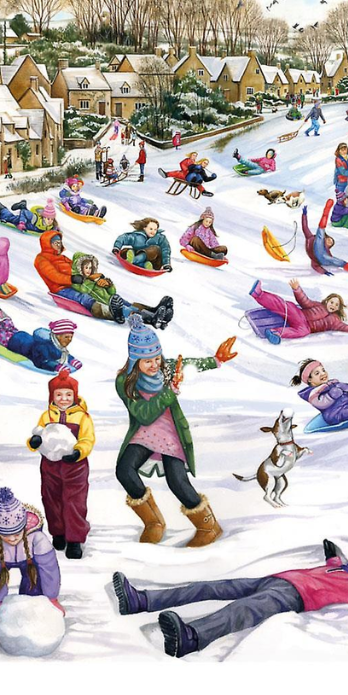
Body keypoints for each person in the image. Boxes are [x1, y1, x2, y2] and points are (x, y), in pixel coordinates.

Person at [112, 540, 348, 658]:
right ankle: (141, 600)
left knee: (243, 610)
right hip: (275, 580)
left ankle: (191, 637)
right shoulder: (342, 567)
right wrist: (331, 552)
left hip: (293, 596)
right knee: (212, 586)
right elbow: (333, 563)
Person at [115, 313, 236, 547]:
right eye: (147, 361)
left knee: (177, 481)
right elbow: (144, 415)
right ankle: (153, 522)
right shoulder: (125, 382)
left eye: (157, 358)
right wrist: (169, 391)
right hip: (143, 434)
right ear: (135, 361)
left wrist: (216, 360)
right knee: (124, 471)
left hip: (170, 434)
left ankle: (208, 526)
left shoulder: (166, 370)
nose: (154, 365)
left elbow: (188, 364)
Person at [0, 488, 62, 648]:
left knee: (36, 577)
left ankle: (32, 613)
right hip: (0, 560)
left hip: (29, 558)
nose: (12, 539)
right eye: (6, 535)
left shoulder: (37, 538)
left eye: (17, 534)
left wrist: (52, 598)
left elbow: (49, 568)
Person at [34, 230, 172, 327]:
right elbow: (53, 275)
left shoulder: (63, 258)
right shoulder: (41, 259)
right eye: (55, 243)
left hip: (78, 283)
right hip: (62, 289)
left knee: (113, 297)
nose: (59, 245)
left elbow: (77, 268)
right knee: (85, 298)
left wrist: (94, 277)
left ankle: (151, 312)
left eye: (59, 242)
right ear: (47, 244)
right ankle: (130, 315)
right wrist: (72, 279)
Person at [27, 368, 95, 560]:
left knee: (74, 502)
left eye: (68, 394)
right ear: (52, 396)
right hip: (50, 465)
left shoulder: (82, 417)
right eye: (59, 394)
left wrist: (78, 451)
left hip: (75, 466)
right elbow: (38, 434)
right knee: (51, 499)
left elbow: (88, 439)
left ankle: (74, 540)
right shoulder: (47, 416)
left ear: (74, 395)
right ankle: (58, 533)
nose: (63, 399)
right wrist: (34, 442)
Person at [0, 299, 81, 372]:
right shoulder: (43, 347)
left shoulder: (54, 343)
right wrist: (57, 367)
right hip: (13, 342)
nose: (69, 340)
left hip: (21, 337)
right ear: (57, 336)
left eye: (71, 337)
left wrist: (72, 360)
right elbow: (41, 361)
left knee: (10, 327)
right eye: (66, 337)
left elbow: (63, 353)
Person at [250, 278, 348, 344]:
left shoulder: (335, 320)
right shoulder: (318, 305)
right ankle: (259, 294)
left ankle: (275, 333)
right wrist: (297, 289)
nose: (333, 305)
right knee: (285, 306)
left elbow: (344, 327)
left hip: (306, 327)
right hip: (299, 315)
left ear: (339, 308)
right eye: (332, 302)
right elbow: (304, 301)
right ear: (326, 301)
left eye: (336, 305)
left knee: (303, 332)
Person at [302, 200, 348, 278]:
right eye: (330, 240)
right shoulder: (311, 238)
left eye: (330, 243)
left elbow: (315, 265)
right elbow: (305, 227)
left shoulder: (324, 253)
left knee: (337, 260)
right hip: (321, 252)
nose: (330, 241)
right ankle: (326, 211)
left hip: (323, 259)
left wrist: (323, 271)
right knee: (320, 234)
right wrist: (304, 215)